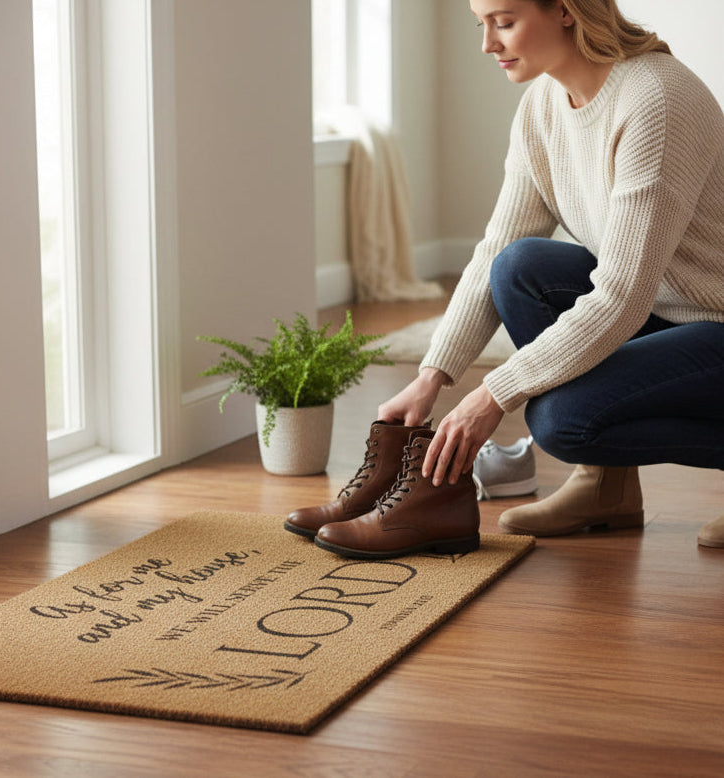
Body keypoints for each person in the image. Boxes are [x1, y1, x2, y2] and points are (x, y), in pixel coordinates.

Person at [290, 0, 724, 558]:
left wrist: (493, 394)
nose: (488, 44)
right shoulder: (542, 105)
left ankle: (592, 465)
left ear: (566, 11)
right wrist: (434, 374)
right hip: (666, 309)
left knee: (562, 419)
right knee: (520, 267)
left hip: (712, 317)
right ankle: (607, 488)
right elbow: (497, 245)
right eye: (482, 24)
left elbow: (621, 295)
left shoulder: (656, 100)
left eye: (505, 21)